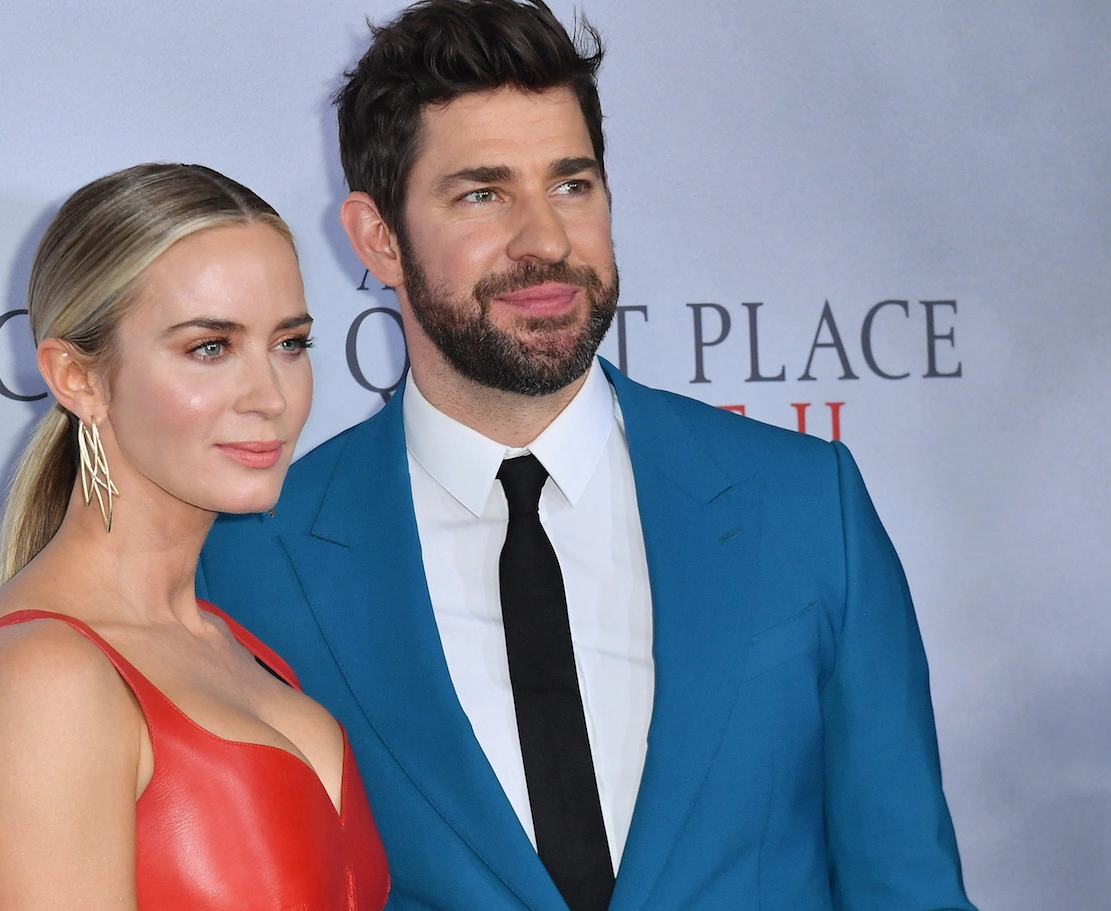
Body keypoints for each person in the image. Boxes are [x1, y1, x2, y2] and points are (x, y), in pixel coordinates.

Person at [198, 2, 975, 910]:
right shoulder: (258, 557)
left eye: (572, 185)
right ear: (378, 238)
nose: (548, 241)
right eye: (483, 194)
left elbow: (907, 884)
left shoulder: (805, 503)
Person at [0, 163, 390, 911]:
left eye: (290, 344)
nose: (270, 397)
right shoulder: (44, 679)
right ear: (78, 378)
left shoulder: (231, 642)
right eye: (210, 346)